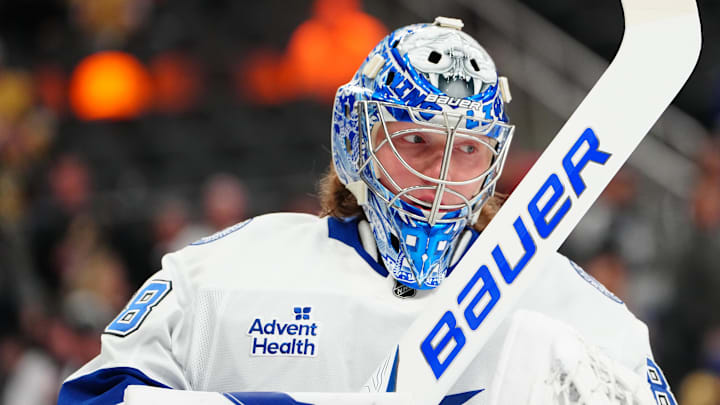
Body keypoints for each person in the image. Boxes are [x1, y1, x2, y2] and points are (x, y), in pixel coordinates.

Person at [58, 17, 674, 404]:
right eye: (417, 141)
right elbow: (93, 396)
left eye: (467, 150)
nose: (441, 173)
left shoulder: (567, 305)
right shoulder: (225, 275)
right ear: (359, 139)